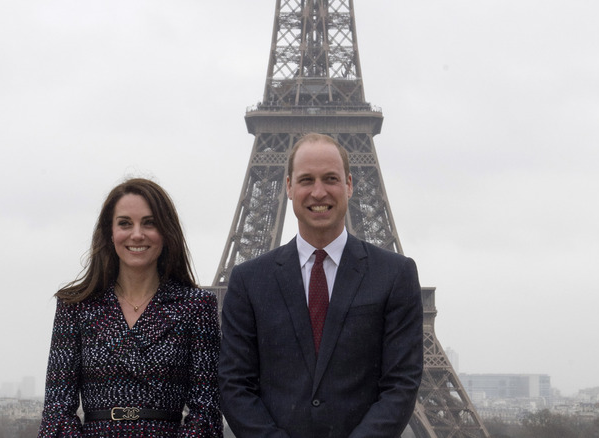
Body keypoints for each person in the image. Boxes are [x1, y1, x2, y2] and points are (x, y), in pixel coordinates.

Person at [218, 133, 423, 438]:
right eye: (306, 180)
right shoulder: (248, 281)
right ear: (288, 186)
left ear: (349, 184)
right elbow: (234, 384)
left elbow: (401, 384)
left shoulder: (395, 275)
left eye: (330, 178)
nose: (318, 192)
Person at [38, 178, 223, 437]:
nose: (137, 234)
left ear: (166, 232)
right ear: (110, 233)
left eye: (149, 223)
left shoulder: (196, 307)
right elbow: (57, 410)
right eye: (125, 223)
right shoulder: (75, 307)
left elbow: (206, 410)